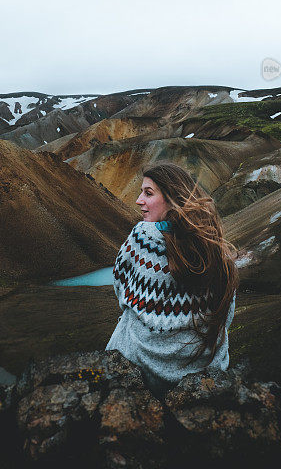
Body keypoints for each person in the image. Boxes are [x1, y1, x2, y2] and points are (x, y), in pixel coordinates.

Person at [105, 161, 239, 398]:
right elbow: (225, 313)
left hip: (137, 369)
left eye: (148, 193)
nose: (139, 200)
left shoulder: (142, 238)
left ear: (172, 198)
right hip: (203, 374)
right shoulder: (213, 248)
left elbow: (120, 288)